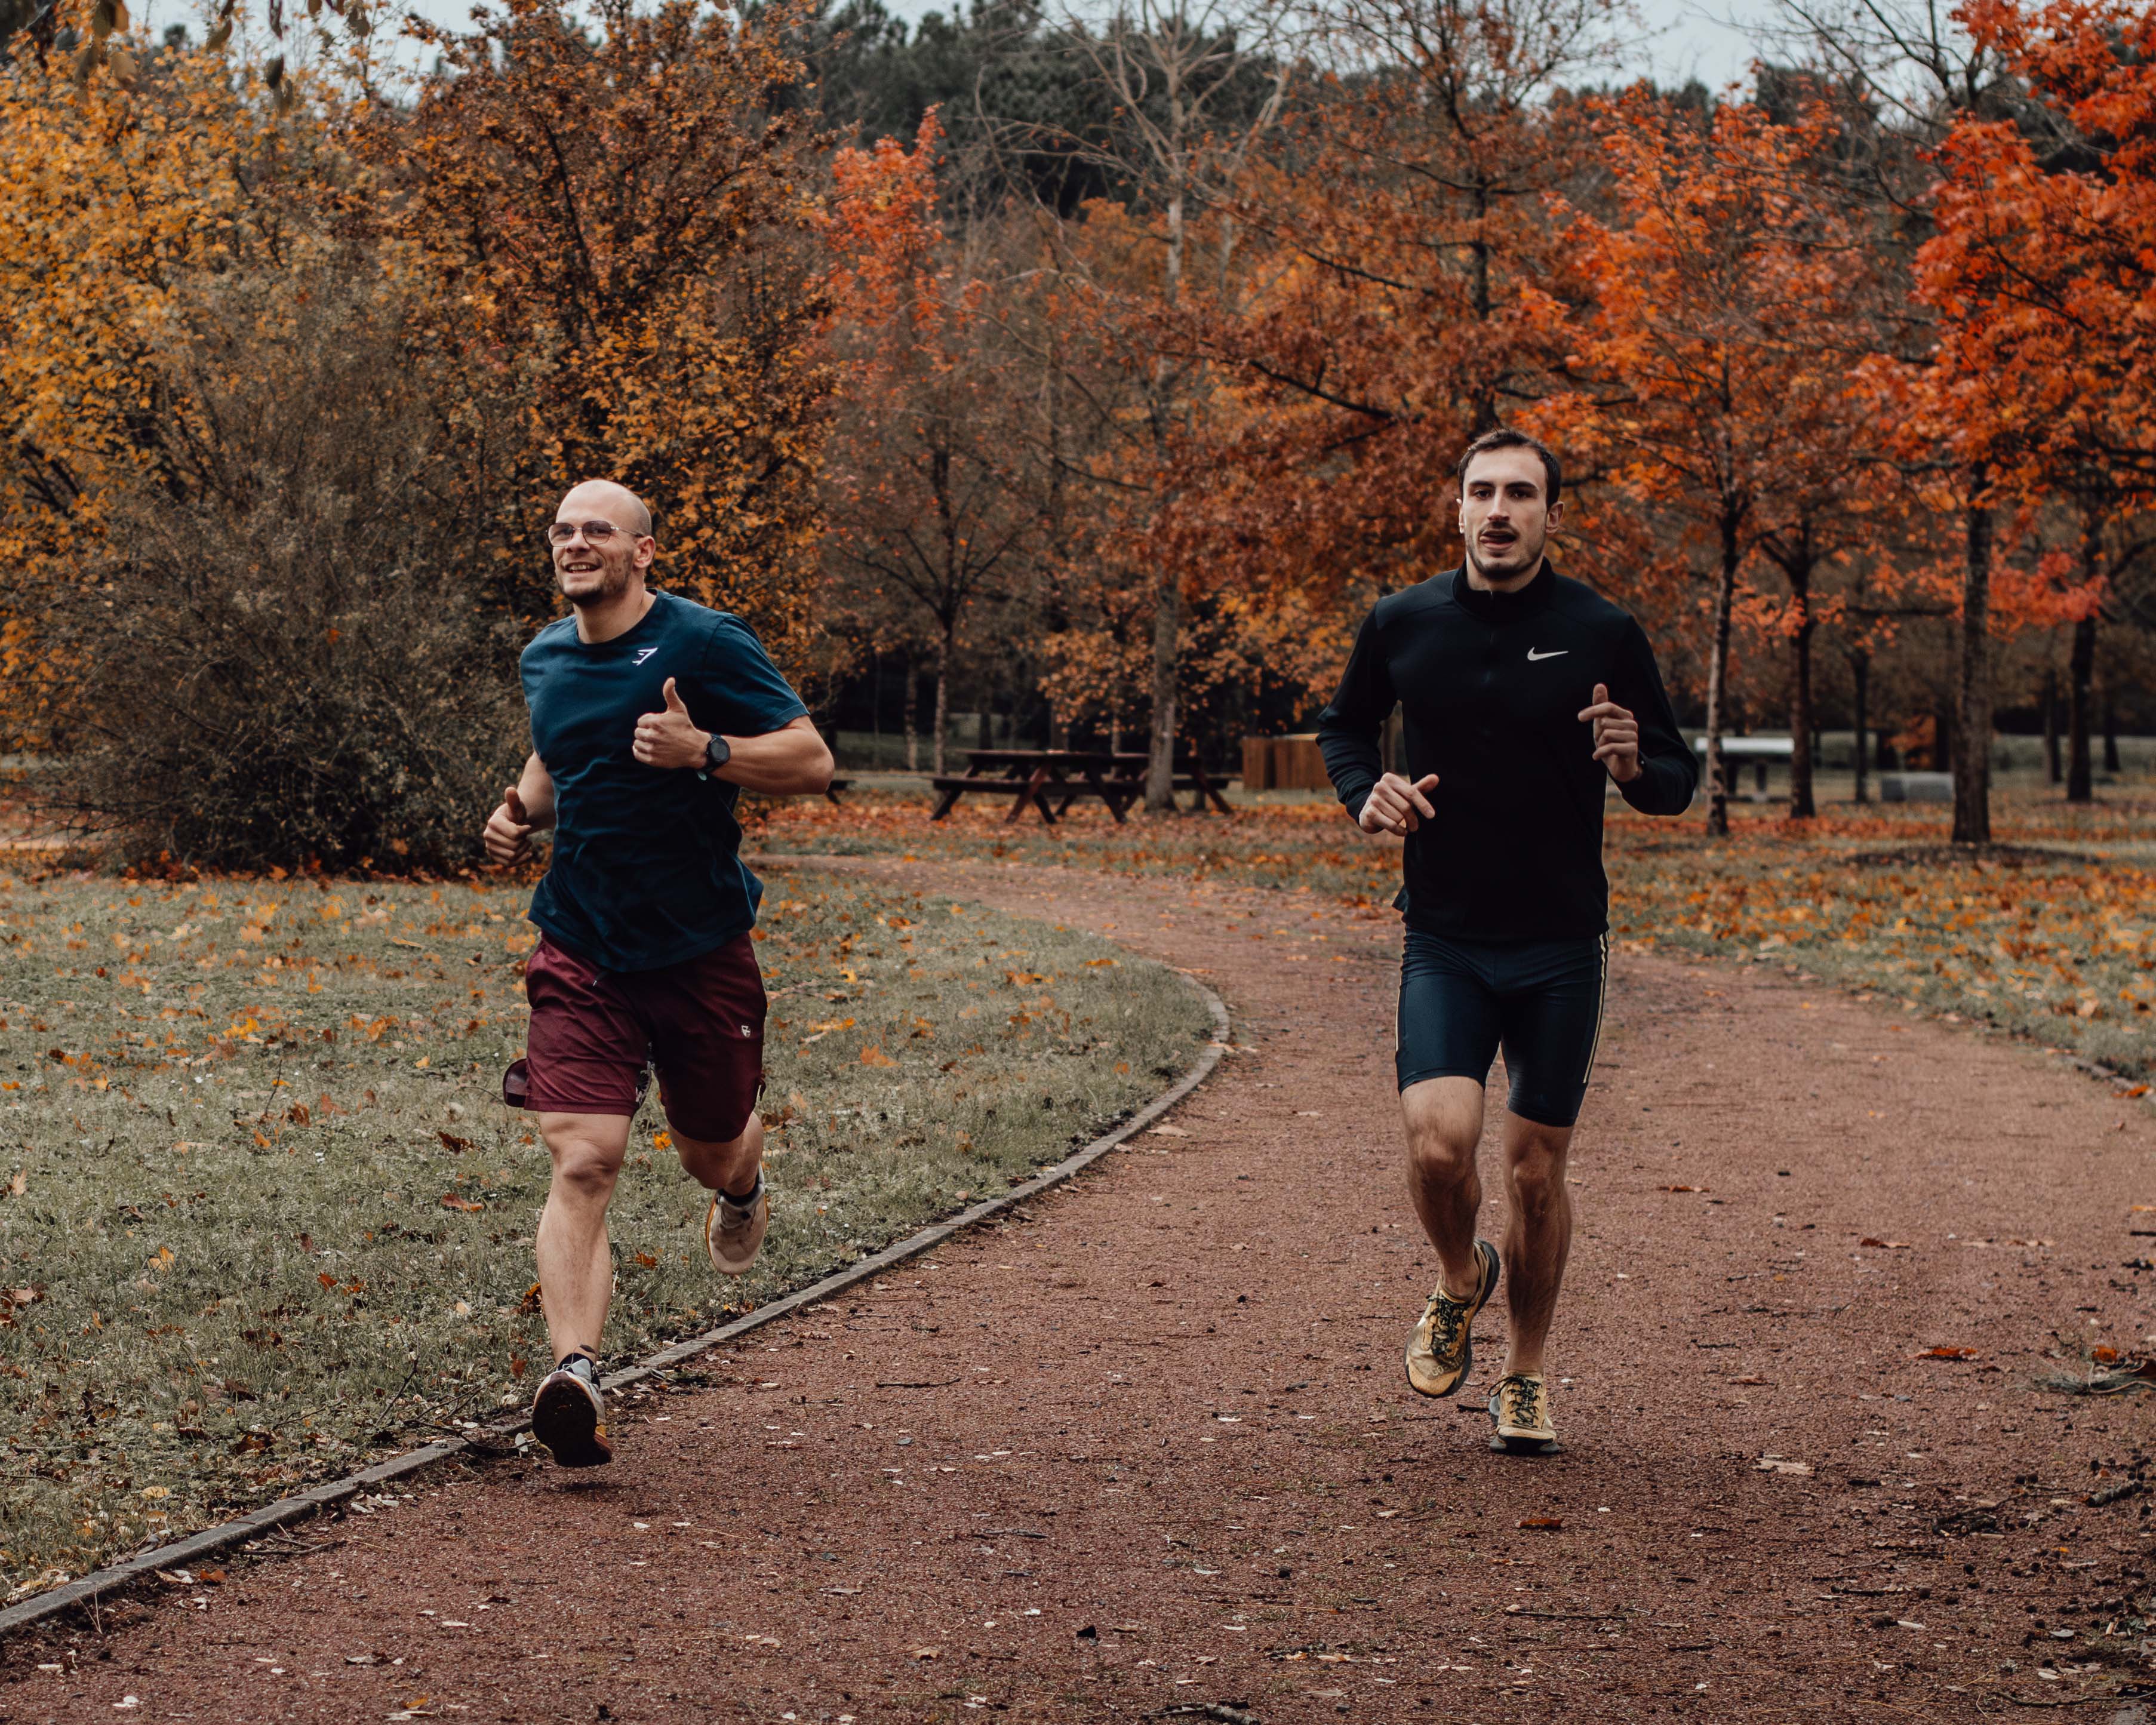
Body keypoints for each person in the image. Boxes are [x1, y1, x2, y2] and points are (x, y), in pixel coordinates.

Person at [1317, 429, 1695, 1456]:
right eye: (1481, 491)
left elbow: (1674, 772)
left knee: (1535, 1172)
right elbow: (1345, 728)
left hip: (1562, 943)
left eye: (1519, 494)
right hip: (1444, 934)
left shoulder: (1601, 629)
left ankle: (1525, 1374)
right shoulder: (1403, 621)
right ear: (1458, 511)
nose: (1498, 509)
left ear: (1547, 515)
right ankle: (1459, 1276)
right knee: (1439, 1143)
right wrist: (1367, 794)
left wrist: (1632, 770)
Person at [482, 479, 833, 1467]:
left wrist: (705, 749)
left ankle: (745, 1177)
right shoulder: (545, 655)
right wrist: (521, 811)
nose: (576, 543)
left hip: (697, 946)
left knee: (705, 1151)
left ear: (643, 552)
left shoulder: (706, 642)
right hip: (582, 940)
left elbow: (811, 760)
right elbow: (559, 755)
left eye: (599, 529)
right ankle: (576, 1375)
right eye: (562, 529)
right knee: (584, 1157)